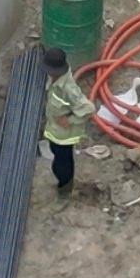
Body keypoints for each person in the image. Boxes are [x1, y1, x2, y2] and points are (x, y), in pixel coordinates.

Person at [43, 48, 91, 198]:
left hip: (64, 135)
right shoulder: (55, 80)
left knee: (62, 164)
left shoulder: (69, 89)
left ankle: (65, 188)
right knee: (57, 155)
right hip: (55, 129)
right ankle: (64, 183)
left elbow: (88, 108)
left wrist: (69, 120)